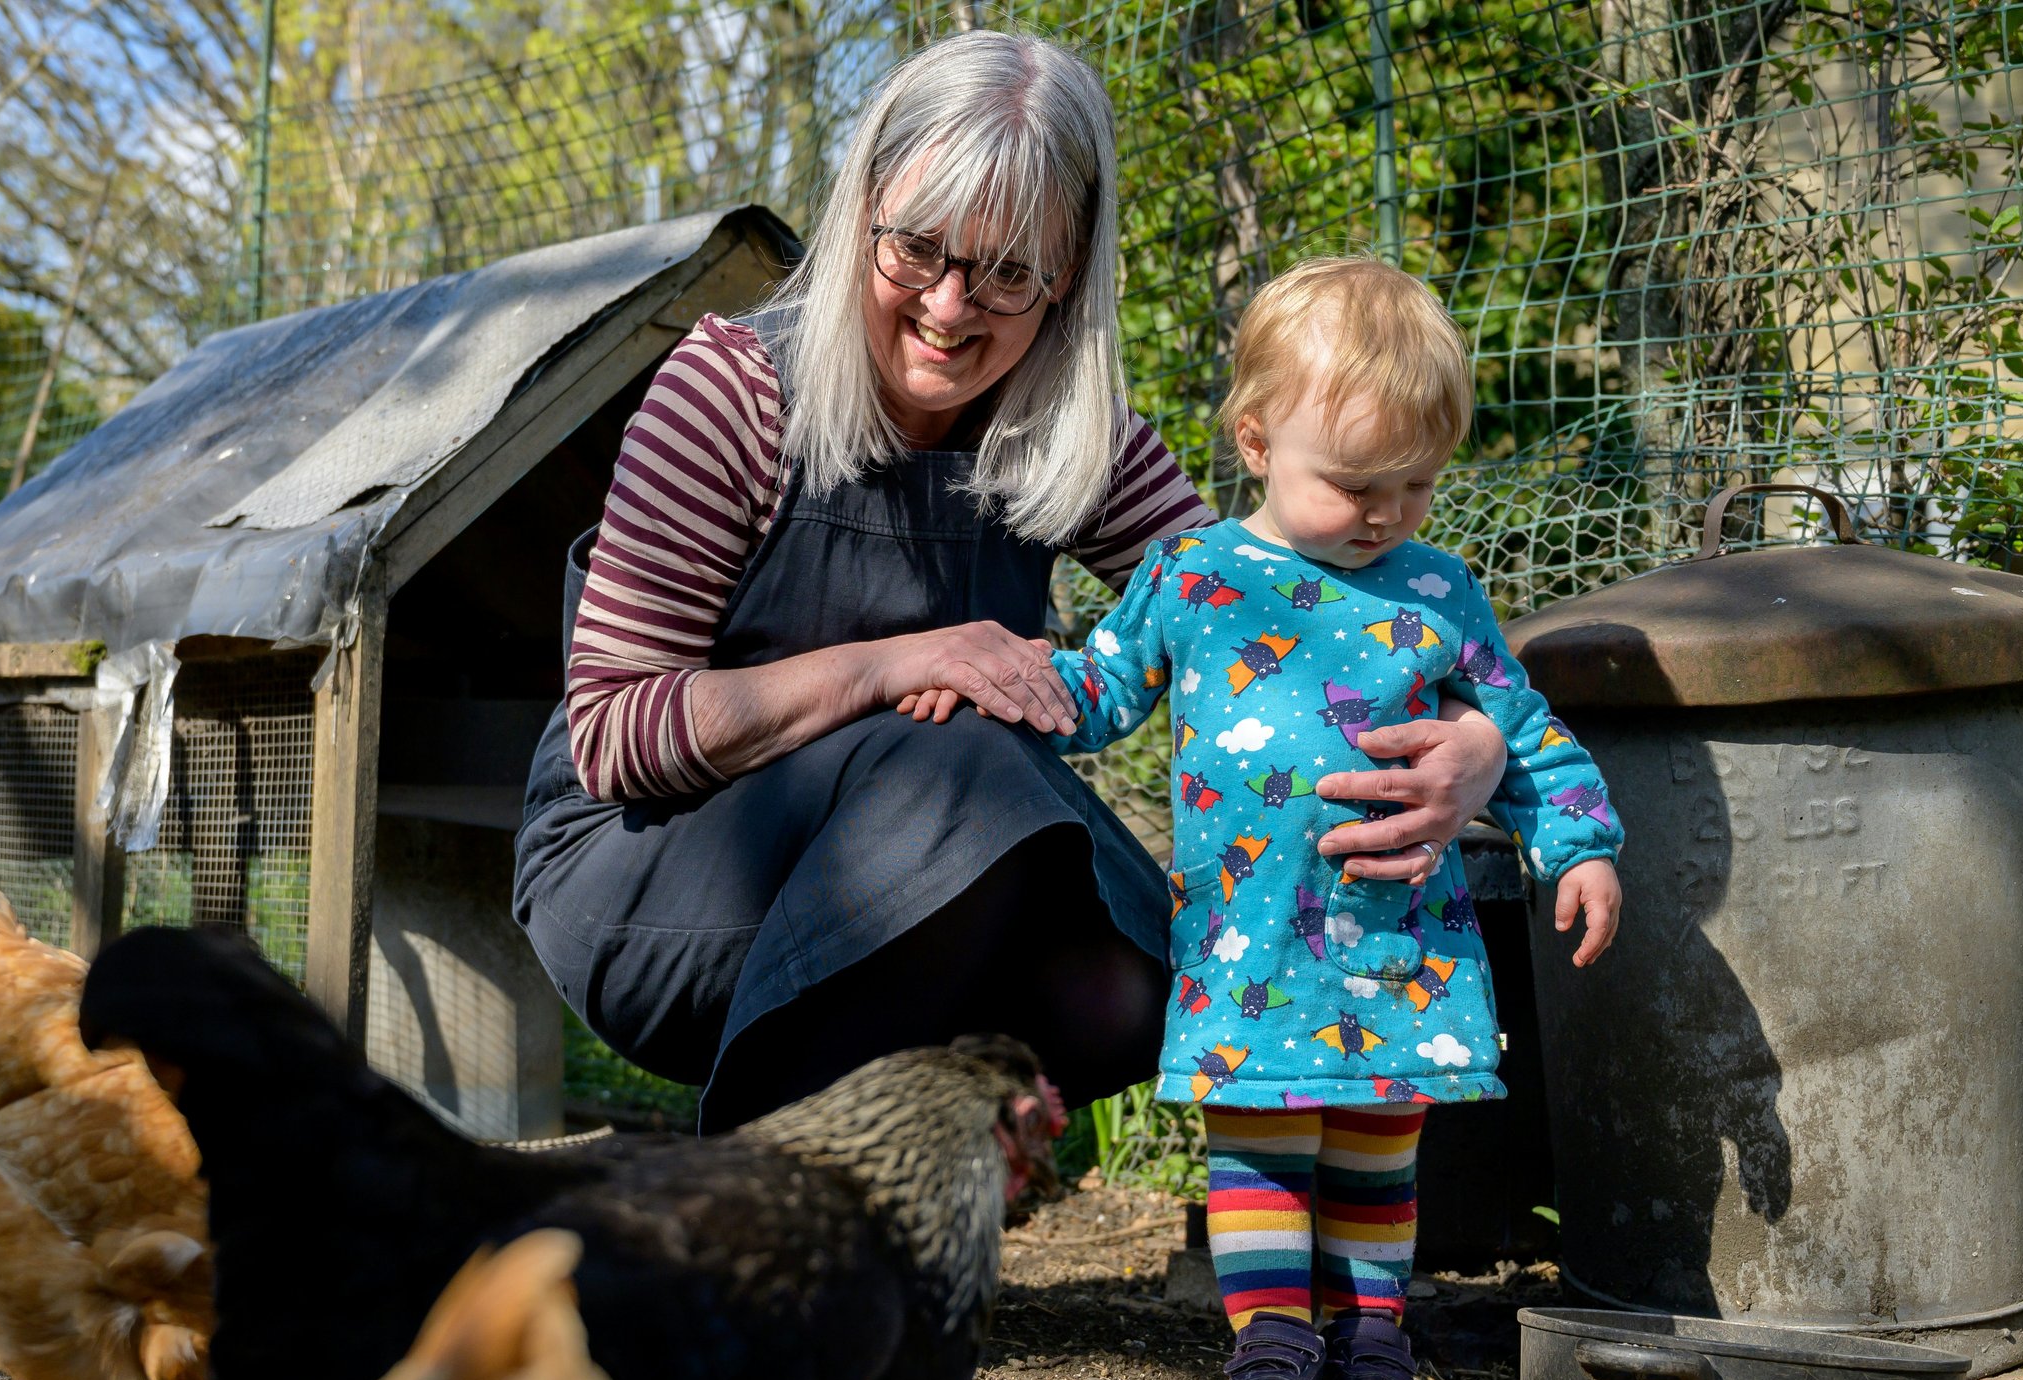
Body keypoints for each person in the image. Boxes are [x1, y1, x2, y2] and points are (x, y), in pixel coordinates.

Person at [514, 31, 1513, 1129]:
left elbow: (1282, 620)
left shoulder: (1072, 435)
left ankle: (903, 1181)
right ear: (862, 217)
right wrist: (898, 664)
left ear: (1066, 275)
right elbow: (615, 735)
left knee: (1141, 939)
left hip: (914, 871)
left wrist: (1472, 739)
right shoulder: (730, 392)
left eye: (1005, 273)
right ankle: (782, 1198)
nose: (948, 307)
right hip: (647, 878)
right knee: (968, 760)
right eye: (916, 250)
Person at [1046, 256, 1624, 1380]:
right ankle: (1269, 1342)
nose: (1386, 512)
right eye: (1355, 482)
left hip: (1401, 941)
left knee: (1375, 1142)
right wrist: (1001, 685)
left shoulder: (1437, 589)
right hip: (1246, 935)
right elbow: (1097, 690)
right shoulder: (1193, 575)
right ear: (1256, 441)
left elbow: (1524, 732)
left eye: (1415, 483)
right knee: (1257, 1133)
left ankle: (1372, 1336)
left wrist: (1577, 847)